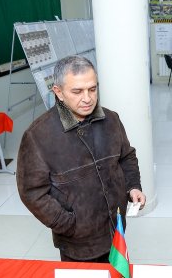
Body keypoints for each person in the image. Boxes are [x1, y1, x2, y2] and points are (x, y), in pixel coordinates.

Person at [16, 55, 146, 262]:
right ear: (58, 92)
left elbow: (126, 157)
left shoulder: (111, 119)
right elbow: (31, 192)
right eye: (77, 91)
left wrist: (133, 186)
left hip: (116, 229)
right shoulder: (38, 135)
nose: (87, 98)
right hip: (77, 243)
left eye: (92, 89)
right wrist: (68, 224)